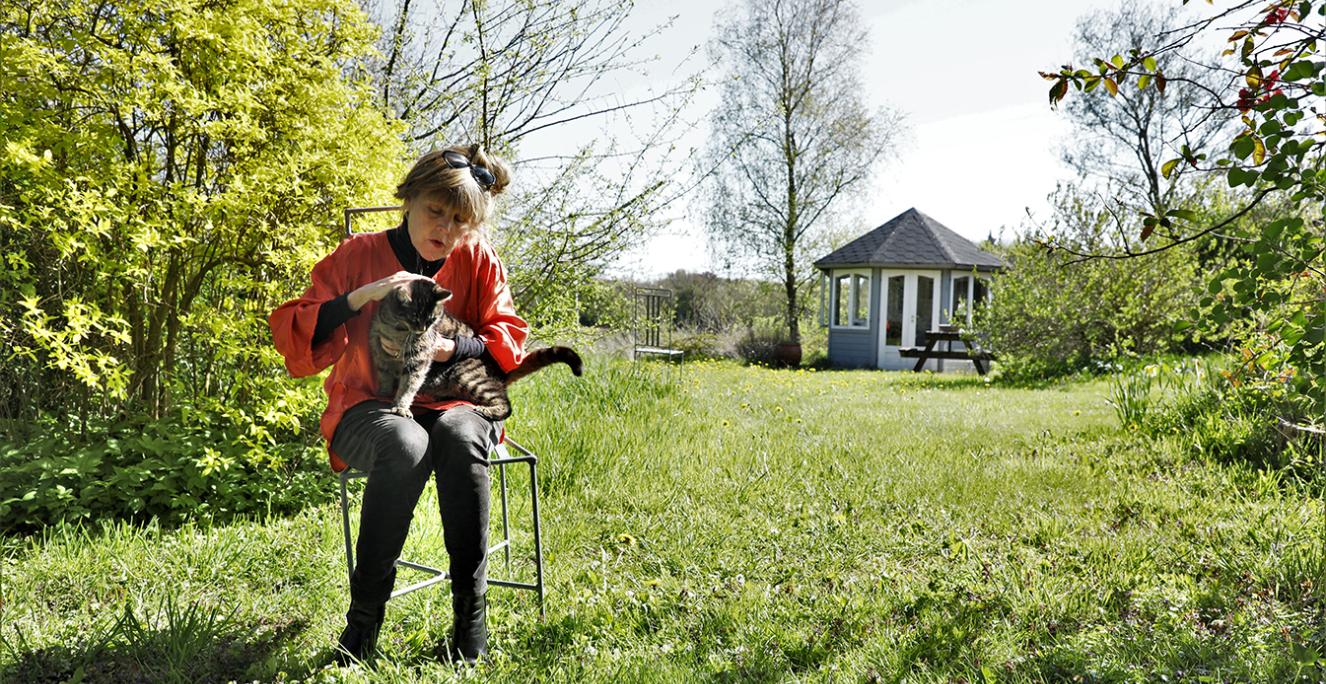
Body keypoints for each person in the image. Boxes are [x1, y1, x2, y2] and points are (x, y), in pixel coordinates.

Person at [268, 145, 526, 665]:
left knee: (456, 434)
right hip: (367, 402)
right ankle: (361, 630)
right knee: (407, 444)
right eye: (436, 211)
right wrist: (359, 297)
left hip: (455, 398)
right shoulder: (358, 254)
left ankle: (469, 624)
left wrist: (457, 346)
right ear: (408, 200)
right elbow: (291, 329)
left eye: (460, 220)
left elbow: (508, 339)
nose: (446, 229)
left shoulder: (476, 258)